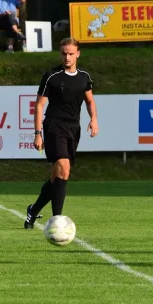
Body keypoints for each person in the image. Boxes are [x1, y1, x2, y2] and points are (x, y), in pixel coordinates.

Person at [24, 37, 98, 229]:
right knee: (64, 168)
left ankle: (33, 210)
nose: (67, 57)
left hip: (74, 127)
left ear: (78, 54)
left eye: (71, 53)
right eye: (64, 53)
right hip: (54, 125)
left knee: (57, 176)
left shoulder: (84, 77)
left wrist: (94, 119)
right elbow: (40, 105)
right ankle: (58, 221)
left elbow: (90, 100)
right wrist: (37, 132)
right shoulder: (52, 75)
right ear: (60, 54)